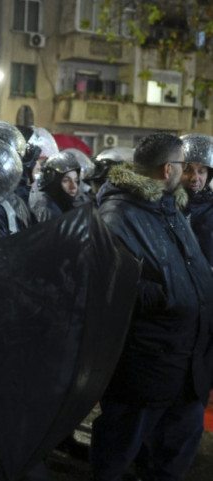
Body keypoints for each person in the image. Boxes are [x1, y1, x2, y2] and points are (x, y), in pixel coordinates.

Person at [92, 132, 213, 481]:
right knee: (117, 453)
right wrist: (172, 296)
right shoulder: (118, 215)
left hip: (185, 367)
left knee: (174, 454)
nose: (189, 173)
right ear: (166, 169)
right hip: (144, 372)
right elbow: (109, 286)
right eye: (183, 165)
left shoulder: (169, 206)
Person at [181, 133, 213, 267]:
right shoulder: (164, 205)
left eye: (201, 171)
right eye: (188, 170)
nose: (195, 178)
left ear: (209, 175)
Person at [30, 150, 85, 223]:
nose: (74, 186)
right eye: (66, 181)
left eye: (75, 180)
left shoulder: (75, 205)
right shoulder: (46, 212)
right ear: (54, 184)